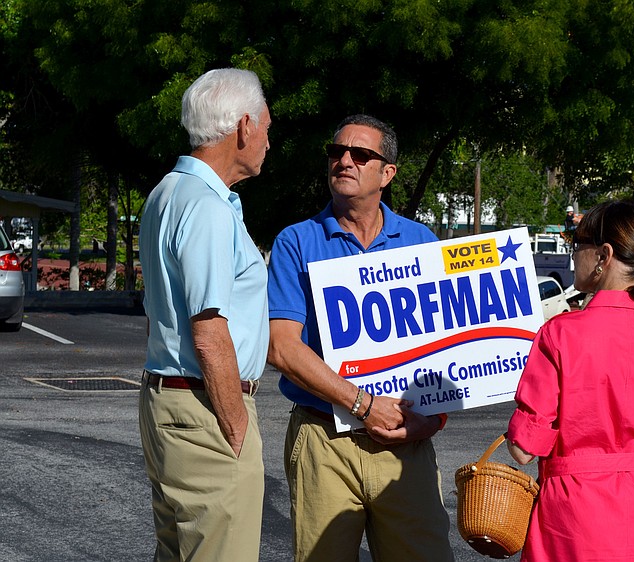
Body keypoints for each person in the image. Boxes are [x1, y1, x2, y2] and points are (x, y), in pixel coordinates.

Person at [266, 114, 454, 562]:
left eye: (360, 154)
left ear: (387, 173)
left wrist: (434, 419)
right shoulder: (296, 241)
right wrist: (363, 405)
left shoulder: (421, 241)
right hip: (324, 441)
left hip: (407, 443)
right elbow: (281, 347)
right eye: (336, 152)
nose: (344, 160)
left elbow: (451, 346)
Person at [506, 199, 634, 561]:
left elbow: (524, 450)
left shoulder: (559, 335)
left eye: (577, 245)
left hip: (570, 520)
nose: (574, 255)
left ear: (603, 255)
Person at [138, 68, 271, 562]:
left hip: (171, 403)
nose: (266, 141)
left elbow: (162, 314)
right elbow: (209, 328)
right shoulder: (206, 205)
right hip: (206, 410)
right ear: (242, 127)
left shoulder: (165, 194)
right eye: (265, 128)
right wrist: (236, 425)